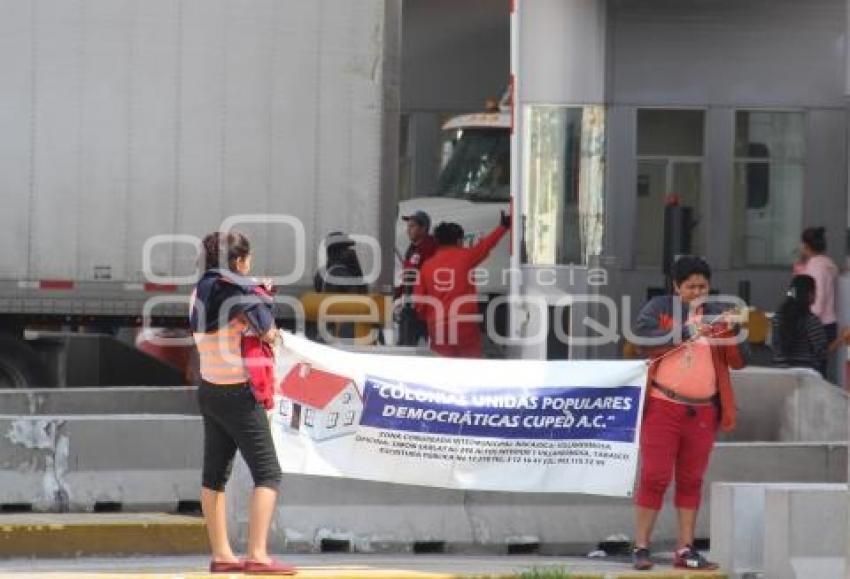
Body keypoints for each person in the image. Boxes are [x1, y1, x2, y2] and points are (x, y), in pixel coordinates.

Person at [631, 256, 746, 571]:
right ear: (676, 287)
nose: (697, 291)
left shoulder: (718, 314)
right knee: (654, 476)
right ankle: (641, 546)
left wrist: (734, 331)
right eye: (690, 286)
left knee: (692, 480)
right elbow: (640, 337)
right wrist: (688, 329)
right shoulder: (659, 308)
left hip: (703, 410)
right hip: (663, 405)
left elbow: (739, 361)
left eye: (703, 285)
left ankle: (685, 549)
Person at [190, 231, 295, 575]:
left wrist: (254, 289)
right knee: (268, 473)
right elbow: (268, 332)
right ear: (237, 262)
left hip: (209, 390)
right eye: (247, 260)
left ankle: (222, 555)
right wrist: (261, 292)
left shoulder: (199, 293)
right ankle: (258, 555)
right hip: (239, 394)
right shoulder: (239, 295)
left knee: (215, 476)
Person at [413, 212, 509, 357]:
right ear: (459, 241)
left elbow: (419, 303)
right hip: (464, 323)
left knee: (443, 369)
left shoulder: (427, 266)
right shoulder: (467, 257)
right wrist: (503, 227)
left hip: (438, 327)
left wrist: (428, 318)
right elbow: (486, 245)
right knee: (469, 369)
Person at [772, 274, 850, 376]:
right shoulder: (810, 320)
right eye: (815, 291)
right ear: (809, 294)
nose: (816, 295)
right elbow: (822, 353)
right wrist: (841, 339)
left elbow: (774, 346)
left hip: (780, 375)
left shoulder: (778, 318)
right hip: (806, 377)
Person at [793, 227, 838, 375]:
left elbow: (817, 304)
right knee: (816, 371)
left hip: (816, 326)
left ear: (806, 246)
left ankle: (813, 399)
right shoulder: (825, 264)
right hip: (826, 326)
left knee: (811, 374)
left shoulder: (815, 268)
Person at [396, 210, 438, 346]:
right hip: (411, 305)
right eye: (408, 226)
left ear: (424, 228)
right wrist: (398, 292)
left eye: (412, 226)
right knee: (405, 344)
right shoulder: (412, 249)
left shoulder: (431, 247)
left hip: (424, 306)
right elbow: (408, 276)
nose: (408, 230)